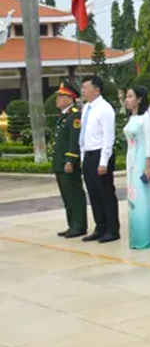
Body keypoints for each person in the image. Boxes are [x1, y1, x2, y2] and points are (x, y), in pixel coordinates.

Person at [123, 86, 150, 250]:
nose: (127, 99)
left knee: (144, 198)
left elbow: (149, 142)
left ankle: (149, 237)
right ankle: (137, 236)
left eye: (130, 96)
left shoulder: (147, 117)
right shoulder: (132, 117)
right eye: (126, 96)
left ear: (139, 99)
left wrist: (148, 165)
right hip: (131, 158)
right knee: (134, 198)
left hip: (142, 159)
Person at [79, 75, 119, 243]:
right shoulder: (86, 108)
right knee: (94, 194)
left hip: (100, 154)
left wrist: (103, 162)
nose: (83, 91)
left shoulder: (105, 108)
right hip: (88, 154)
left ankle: (112, 229)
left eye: (85, 88)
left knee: (105, 193)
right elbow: (83, 135)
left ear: (96, 90)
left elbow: (108, 138)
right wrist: (82, 157)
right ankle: (100, 226)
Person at [53, 81, 86, 238]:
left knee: (74, 194)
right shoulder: (63, 116)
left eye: (61, 96)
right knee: (66, 195)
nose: (57, 99)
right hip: (60, 162)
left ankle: (79, 225)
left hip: (67, 163)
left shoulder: (74, 115)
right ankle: (71, 224)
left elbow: (74, 140)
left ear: (70, 98)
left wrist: (70, 161)